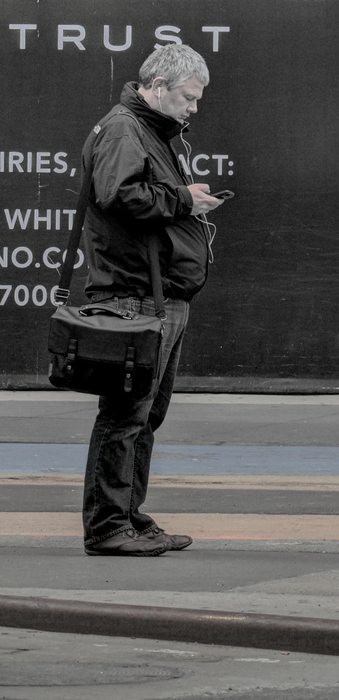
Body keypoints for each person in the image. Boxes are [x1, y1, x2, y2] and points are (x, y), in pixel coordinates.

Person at [78, 44, 224, 556]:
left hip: (158, 296)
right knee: (125, 415)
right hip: (136, 296)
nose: (194, 108)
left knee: (143, 416)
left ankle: (128, 517)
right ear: (158, 86)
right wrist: (185, 199)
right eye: (187, 97)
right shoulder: (124, 129)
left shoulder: (144, 130)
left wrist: (185, 200)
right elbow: (118, 195)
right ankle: (107, 526)